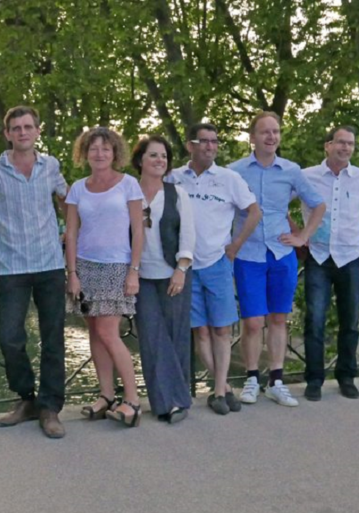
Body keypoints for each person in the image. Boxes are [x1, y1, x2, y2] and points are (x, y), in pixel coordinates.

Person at [0, 106, 69, 439]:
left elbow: (66, 200)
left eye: (28, 127)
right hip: (12, 267)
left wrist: (69, 229)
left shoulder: (51, 166)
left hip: (50, 263)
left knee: (53, 339)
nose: (22, 132)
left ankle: (50, 407)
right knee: (9, 337)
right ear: (7, 134)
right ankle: (26, 399)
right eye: (16, 128)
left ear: (37, 131)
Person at [228, 111, 326, 407]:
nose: (271, 137)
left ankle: (277, 381)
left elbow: (318, 205)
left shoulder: (291, 170)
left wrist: (302, 236)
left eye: (276, 131)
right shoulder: (235, 171)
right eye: (265, 132)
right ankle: (251, 378)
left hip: (282, 254)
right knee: (253, 321)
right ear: (252, 137)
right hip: (249, 254)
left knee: (279, 318)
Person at [168, 123, 262, 415]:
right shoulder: (173, 178)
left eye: (214, 142)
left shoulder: (228, 178)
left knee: (221, 329)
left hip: (217, 263)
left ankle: (219, 390)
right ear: (190, 145)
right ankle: (224, 389)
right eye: (204, 141)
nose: (210, 146)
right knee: (202, 333)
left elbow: (254, 211)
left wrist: (235, 246)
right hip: (185, 265)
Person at [64, 127, 145, 427]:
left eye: (105, 148)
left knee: (109, 333)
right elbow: (71, 232)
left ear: (115, 153)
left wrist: (133, 270)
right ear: (85, 153)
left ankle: (133, 401)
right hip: (85, 267)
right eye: (93, 148)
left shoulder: (129, 185)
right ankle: (106, 395)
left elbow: (138, 231)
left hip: (116, 268)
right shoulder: (77, 188)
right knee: (95, 333)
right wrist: (72, 273)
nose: (99, 153)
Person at [301, 126, 359, 400]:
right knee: (314, 319)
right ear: (328, 145)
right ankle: (314, 380)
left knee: (350, 320)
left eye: (350, 144)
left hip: (351, 257)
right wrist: (297, 234)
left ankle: (346, 376)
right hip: (318, 256)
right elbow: (278, 204)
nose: (346, 148)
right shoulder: (306, 176)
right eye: (340, 142)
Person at [129, 135, 195, 424]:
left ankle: (176, 402)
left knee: (176, 336)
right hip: (140, 276)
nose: (159, 161)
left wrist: (181, 268)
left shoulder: (177, 193)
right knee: (152, 338)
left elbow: (188, 234)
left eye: (164, 156)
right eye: (153, 155)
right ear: (140, 160)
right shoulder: (128, 193)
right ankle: (166, 401)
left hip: (172, 274)